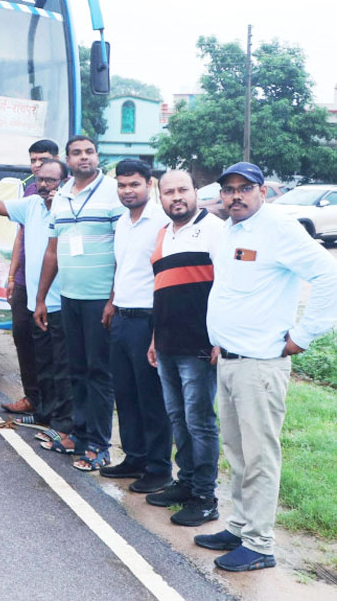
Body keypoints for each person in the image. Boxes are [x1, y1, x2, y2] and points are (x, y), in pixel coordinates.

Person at [194, 162, 337, 572]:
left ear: (263, 191)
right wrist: (220, 339)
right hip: (231, 358)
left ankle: (259, 544)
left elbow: (327, 275)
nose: (235, 196)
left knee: (259, 456)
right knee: (238, 453)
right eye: (228, 189)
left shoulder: (279, 228)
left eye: (244, 188)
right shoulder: (234, 231)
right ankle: (239, 527)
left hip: (261, 364)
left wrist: (302, 336)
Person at [0, 157, 74, 449]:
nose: (46, 186)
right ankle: (45, 416)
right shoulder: (32, 205)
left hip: (64, 302)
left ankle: (64, 425)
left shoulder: (71, 209)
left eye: (53, 180)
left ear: (65, 181)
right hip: (39, 303)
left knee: (63, 367)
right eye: (42, 180)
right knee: (43, 362)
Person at [34, 136, 124, 473]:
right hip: (69, 298)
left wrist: (114, 299)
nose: (83, 157)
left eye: (89, 152)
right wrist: (42, 298)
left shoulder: (113, 193)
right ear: (67, 159)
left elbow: (124, 251)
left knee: (99, 373)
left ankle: (99, 445)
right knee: (76, 370)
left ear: (97, 156)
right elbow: (52, 251)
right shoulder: (61, 197)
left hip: (101, 300)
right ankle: (79, 435)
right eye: (76, 153)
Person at [145, 170, 225, 526]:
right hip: (166, 345)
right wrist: (153, 340)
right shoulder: (163, 234)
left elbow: (228, 287)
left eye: (182, 190)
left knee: (200, 422)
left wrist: (219, 338)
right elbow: (162, 291)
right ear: (159, 197)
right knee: (178, 419)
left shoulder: (215, 230)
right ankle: (186, 482)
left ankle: (205, 497)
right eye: (168, 192)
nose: (176, 197)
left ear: (196, 192)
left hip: (198, 346)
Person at [97, 159, 173, 492]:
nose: (128, 191)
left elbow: (165, 277)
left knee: (151, 397)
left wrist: (159, 329)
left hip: (148, 320)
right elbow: (124, 267)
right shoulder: (124, 222)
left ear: (150, 184)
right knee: (125, 394)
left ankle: (158, 469)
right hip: (122, 317)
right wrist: (112, 300)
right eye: (122, 185)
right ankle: (134, 457)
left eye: (134, 185)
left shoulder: (163, 222)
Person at [1, 139, 59, 417]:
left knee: (48, 346)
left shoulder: (64, 193)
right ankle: (31, 397)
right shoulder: (30, 192)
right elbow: (20, 236)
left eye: (43, 160)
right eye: (33, 160)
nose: (37, 166)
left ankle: (51, 406)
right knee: (22, 336)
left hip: (52, 283)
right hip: (25, 280)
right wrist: (12, 275)